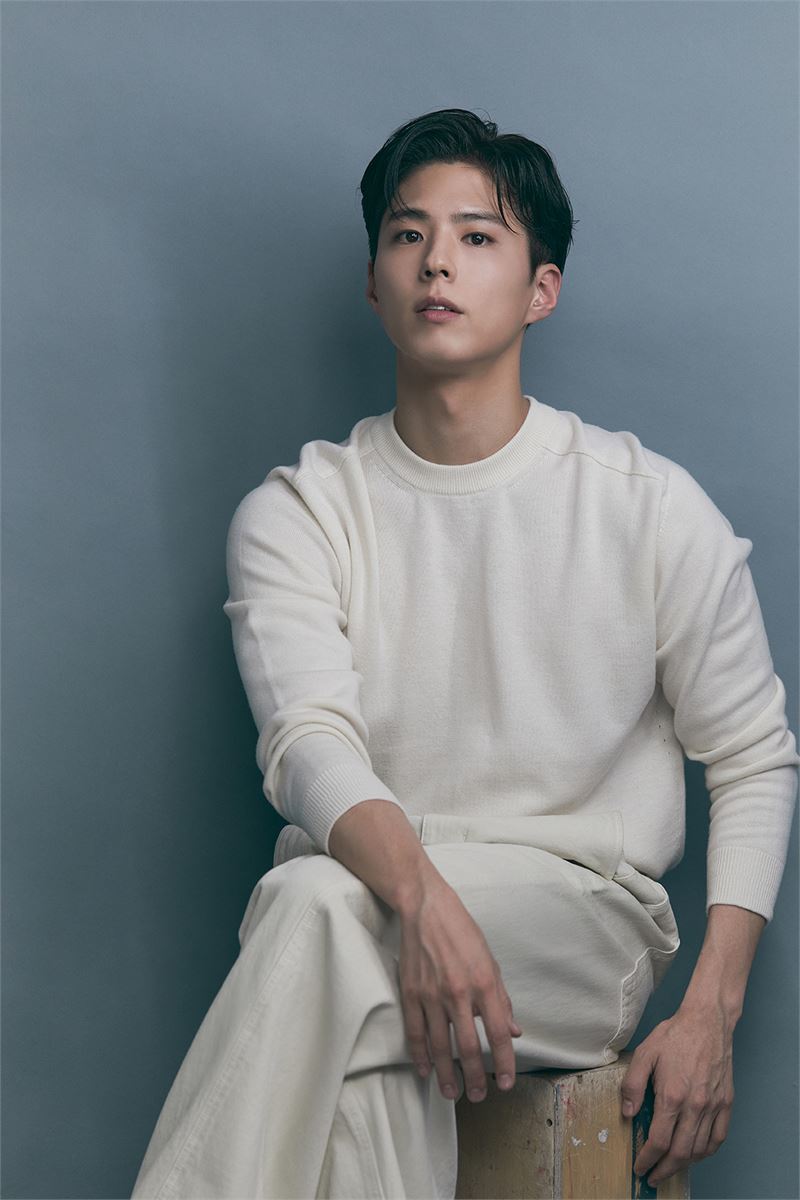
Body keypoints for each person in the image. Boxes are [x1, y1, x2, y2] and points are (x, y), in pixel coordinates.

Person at [130, 108, 799, 1199]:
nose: (436, 260)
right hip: (372, 901)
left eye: (477, 236)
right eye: (408, 234)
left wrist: (711, 1012)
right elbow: (307, 743)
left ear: (542, 289)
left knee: (310, 908)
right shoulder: (301, 510)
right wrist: (425, 901)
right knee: (361, 1064)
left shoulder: (647, 506)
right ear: (373, 281)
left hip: (575, 923)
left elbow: (753, 758)